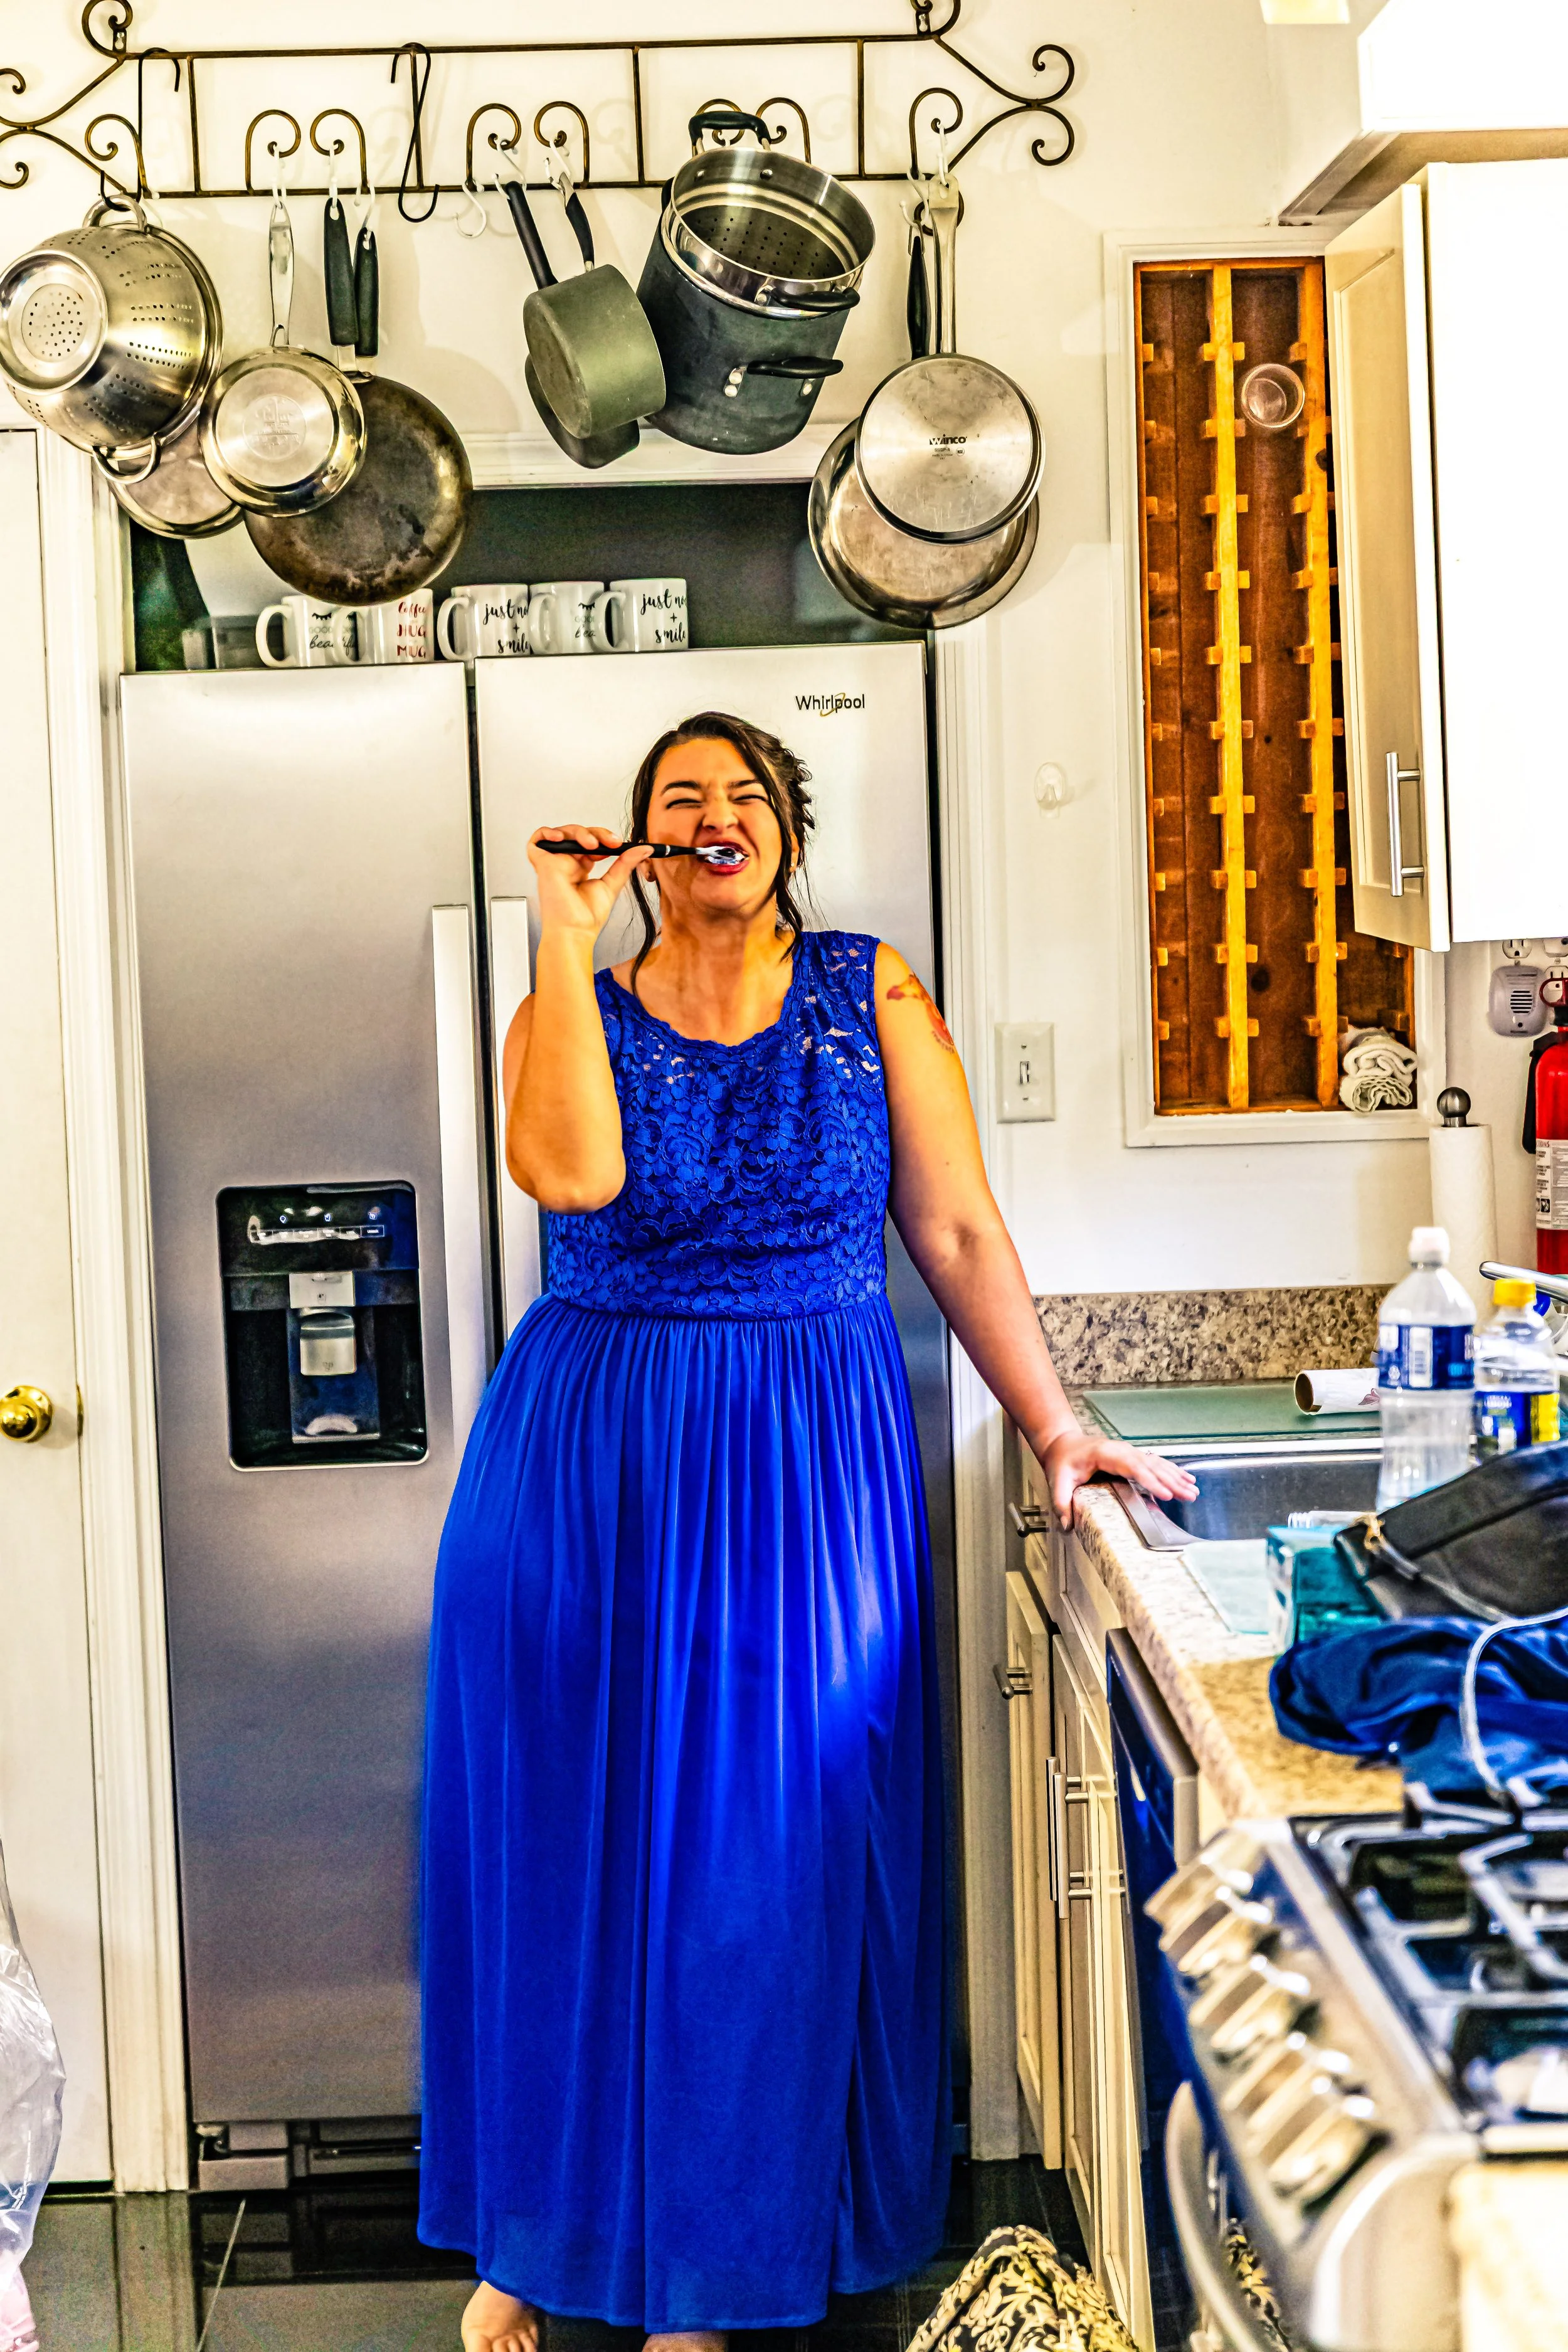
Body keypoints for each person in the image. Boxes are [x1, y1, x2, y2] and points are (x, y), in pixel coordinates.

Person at [418, 713, 1194, 2352]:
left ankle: (705, 2267)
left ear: (787, 829)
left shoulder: (870, 991)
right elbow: (564, 1171)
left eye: (744, 795)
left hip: (807, 1470)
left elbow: (958, 1222)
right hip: (593, 1469)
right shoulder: (572, 1008)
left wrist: (1057, 1424)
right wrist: (563, 946)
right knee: (572, 1868)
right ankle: (539, 2240)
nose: (715, 818)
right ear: (636, 844)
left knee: (761, 1865)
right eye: (678, 799)